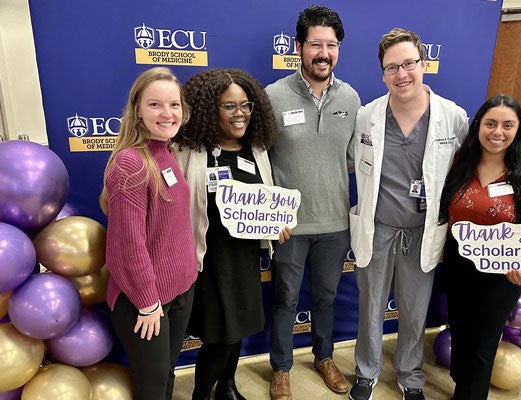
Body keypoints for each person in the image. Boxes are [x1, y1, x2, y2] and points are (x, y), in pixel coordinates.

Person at [348, 28, 468, 400]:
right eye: (391, 67)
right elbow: (352, 163)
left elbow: (466, 171)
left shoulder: (452, 117)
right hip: (378, 227)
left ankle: (410, 376)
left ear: (424, 63)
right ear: (382, 73)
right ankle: (366, 372)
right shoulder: (367, 115)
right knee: (370, 308)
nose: (402, 74)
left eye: (409, 64)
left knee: (415, 311)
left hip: (423, 231)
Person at [172, 68, 291, 400]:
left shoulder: (256, 148)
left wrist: (274, 223)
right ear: (211, 109)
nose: (240, 114)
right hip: (208, 260)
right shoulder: (188, 150)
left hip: (244, 259)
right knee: (220, 335)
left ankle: (227, 386)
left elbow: (263, 200)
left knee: (237, 331)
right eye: (229, 106)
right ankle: (201, 393)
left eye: (246, 105)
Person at [265, 5, 361, 400]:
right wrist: (270, 214)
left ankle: (324, 357)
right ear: (299, 47)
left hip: (335, 225)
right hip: (289, 226)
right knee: (285, 300)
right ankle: (281, 368)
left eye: (332, 45)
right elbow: (260, 160)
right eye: (316, 44)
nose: (324, 53)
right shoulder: (272, 95)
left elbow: (354, 158)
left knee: (325, 298)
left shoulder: (352, 98)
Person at [438, 94, 521, 400]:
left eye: (507, 125)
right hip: (459, 265)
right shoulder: (461, 163)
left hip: (502, 274)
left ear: (518, 130)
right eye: (490, 123)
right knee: (460, 333)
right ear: (478, 126)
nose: (497, 132)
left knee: (483, 344)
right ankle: (463, 385)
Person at [99, 66, 197, 400]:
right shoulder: (131, 162)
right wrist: (147, 302)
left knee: (167, 376)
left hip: (179, 291)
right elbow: (127, 246)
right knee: (152, 388)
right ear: (138, 111)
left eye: (174, 105)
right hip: (146, 302)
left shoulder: (165, 152)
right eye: (155, 105)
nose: (167, 113)